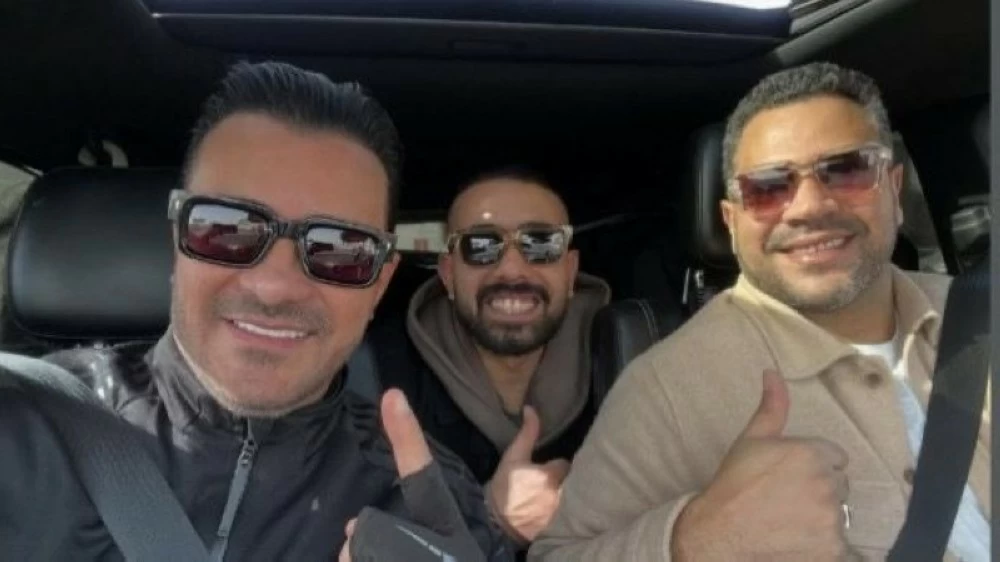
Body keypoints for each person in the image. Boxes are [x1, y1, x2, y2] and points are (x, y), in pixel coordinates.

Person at [0, 61, 511, 562]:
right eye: (227, 228)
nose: (274, 287)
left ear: (379, 283)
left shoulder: (435, 511)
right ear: (178, 242)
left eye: (339, 248)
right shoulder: (22, 424)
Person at [529, 62, 990, 561]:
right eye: (768, 187)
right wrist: (697, 540)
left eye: (847, 170)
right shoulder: (666, 389)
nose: (809, 207)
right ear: (731, 222)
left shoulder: (981, 311)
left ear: (894, 189)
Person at [378, 168, 611, 550]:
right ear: (448, 275)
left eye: (540, 243)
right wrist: (490, 519)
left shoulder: (626, 367)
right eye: (481, 245)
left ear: (570, 272)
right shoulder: (377, 379)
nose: (512, 270)